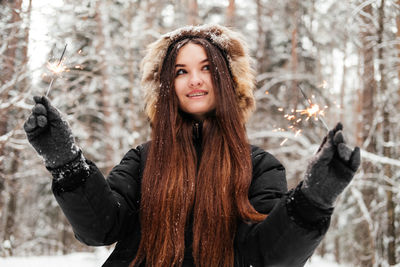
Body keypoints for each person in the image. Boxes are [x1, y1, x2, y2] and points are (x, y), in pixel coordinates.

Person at [24, 24, 360, 267]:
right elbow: (101, 228)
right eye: (181, 71)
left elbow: (271, 255)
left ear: (227, 82)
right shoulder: (143, 159)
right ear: (167, 85)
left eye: (206, 68)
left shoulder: (260, 166)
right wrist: (66, 161)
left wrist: (315, 199)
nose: (195, 80)